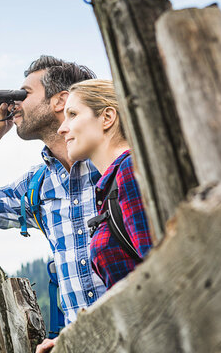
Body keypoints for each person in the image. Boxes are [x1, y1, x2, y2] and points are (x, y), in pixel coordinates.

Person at [0, 56, 107, 328]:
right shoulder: (36, 186)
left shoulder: (118, 161)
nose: (14, 104)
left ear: (60, 100)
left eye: (24, 94)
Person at [57, 79, 153, 288]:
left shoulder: (129, 170)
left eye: (72, 115)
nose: (62, 129)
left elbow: (160, 265)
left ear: (107, 117)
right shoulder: (113, 182)